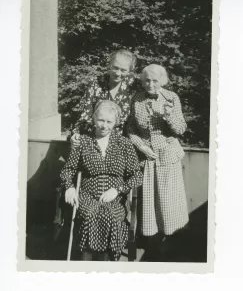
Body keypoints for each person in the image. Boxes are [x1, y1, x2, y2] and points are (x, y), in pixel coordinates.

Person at [60, 100, 143, 261]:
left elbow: (137, 175)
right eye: (101, 120)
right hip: (87, 195)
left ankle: (105, 264)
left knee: (111, 216)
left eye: (109, 121)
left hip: (115, 196)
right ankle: (86, 263)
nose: (104, 125)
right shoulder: (83, 141)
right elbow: (68, 169)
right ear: (94, 119)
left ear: (116, 123)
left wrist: (118, 190)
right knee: (90, 214)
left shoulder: (124, 144)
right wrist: (69, 187)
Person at [127, 64, 189, 248]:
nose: (150, 84)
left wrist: (169, 116)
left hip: (168, 157)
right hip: (147, 158)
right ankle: (151, 243)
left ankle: (171, 240)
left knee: (168, 202)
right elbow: (130, 129)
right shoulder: (136, 99)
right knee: (149, 204)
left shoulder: (171, 98)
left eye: (155, 80)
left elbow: (180, 129)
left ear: (163, 81)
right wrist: (141, 146)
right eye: (147, 80)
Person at [71, 49, 142, 147]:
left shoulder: (134, 86)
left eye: (123, 70)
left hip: (124, 140)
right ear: (110, 65)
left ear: (130, 70)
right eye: (115, 68)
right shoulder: (95, 83)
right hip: (96, 137)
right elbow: (85, 114)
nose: (118, 73)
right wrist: (76, 133)